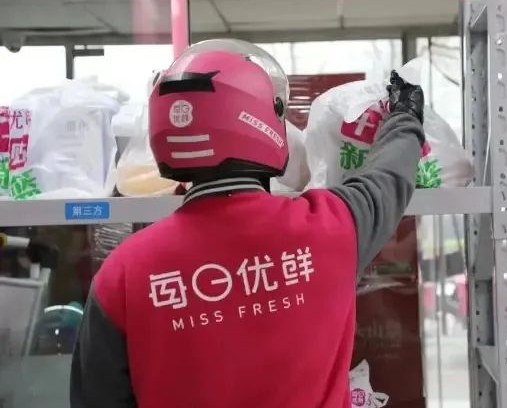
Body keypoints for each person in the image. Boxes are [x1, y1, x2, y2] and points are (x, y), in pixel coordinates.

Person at [70, 39, 425, 408]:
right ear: (262, 119)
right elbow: (389, 175)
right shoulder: (330, 228)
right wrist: (405, 114)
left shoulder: (122, 274)